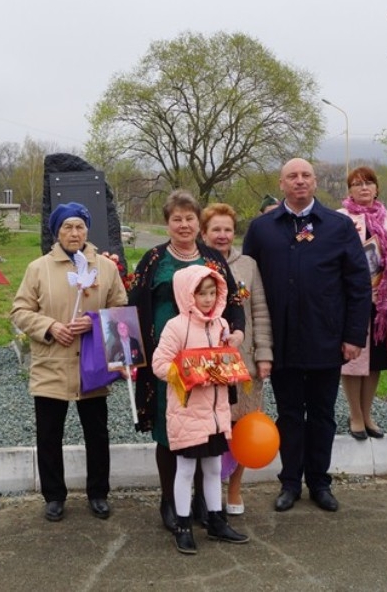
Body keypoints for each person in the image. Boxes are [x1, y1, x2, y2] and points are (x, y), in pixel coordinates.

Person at [242, 158, 371, 513]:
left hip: (325, 339)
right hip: (280, 341)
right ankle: (289, 483)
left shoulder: (338, 226)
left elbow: (358, 285)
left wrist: (354, 335)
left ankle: (319, 482)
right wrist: (255, 342)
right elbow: (246, 287)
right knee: (288, 414)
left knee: (322, 414)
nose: (299, 181)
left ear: (315, 182)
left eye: (305, 176)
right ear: (281, 184)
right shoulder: (262, 228)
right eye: (292, 176)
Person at [129, 190, 245, 532]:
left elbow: (233, 301)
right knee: (172, 432)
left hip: (210, 362)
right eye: (176, 219)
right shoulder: (152, 261)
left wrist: (236, 334)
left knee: (207, 429)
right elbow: (132, 308)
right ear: (167, 223)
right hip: (167, 361)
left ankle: (202, 502)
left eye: (189, 218)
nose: (183, 225)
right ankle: (170, 500)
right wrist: (132, 355)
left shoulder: (213, 260)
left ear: (199, 222)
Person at [11, 202, 128, 522]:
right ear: (57, 232)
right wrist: (50, 327)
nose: (74, 233)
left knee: (97, 433)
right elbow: (20, 311)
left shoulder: (105, 268)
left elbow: (120, 310)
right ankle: (54, 495)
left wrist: (94, 323)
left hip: (91, 365)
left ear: (87, 230)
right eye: (67, 227)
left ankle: (98, 493)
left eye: (79, 227)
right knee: (49, 434)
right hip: (52, 363)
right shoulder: (38, 268)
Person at [151, 265, 250, 553]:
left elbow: (223, 362)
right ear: (186, 294)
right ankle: (183, 526)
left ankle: (216, 521)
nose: (207, 299)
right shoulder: (176, 326)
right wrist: (190, 372)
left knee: (214, 466)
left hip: (216, 416)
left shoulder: (220, 325)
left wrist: (230, 352)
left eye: (211, 293)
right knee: (184, 469)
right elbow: (160, 364)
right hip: (188, 414)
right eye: (200, 293)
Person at [200, 202, 273, 515]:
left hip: (243, 361)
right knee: (211, 429)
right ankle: (206, 491)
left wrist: (264, 354)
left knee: (242, 427)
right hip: (206, 361)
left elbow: (259, 311)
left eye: (227, 229)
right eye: (215, 229)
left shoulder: (249, 265)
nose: (222, 235)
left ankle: (234, 489)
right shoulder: (197, 263)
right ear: (204, 233)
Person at [337, 166, 387, 440]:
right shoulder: (341, 218)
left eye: (369, 183)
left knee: (376, 360)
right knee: (353, 358)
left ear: (377, 188)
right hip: (352, 299)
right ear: (350, 190)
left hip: (383, 304)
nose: (363, 188)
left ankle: (368, 413)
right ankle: (354, 414)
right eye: (357, 184)